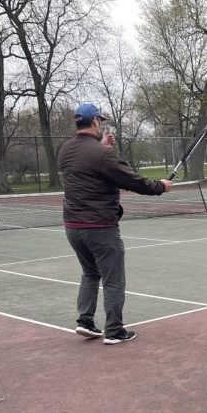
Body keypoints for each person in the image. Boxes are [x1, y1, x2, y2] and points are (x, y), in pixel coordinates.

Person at [58, 103, 172, 344]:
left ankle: (85, 321)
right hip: (99, 227)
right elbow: (131, 180)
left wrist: (102, 148)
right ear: (96, 122)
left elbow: (85, 164)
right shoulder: (102, 155)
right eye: (101, 121)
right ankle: (114, 330)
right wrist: (160, 186)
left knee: (90, 273)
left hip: (73, 227)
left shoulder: (65, 150)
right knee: (114, 279)